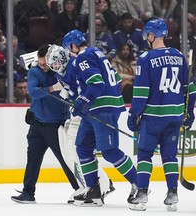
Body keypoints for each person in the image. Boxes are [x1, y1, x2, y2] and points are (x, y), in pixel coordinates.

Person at [49, 29, 137, 206]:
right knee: (82, 147)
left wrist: (83, 101)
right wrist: (82, 101)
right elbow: (114, 79)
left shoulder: (83, 56)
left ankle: (139, 184)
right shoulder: (95, 53)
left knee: (110, 151)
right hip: (95, 107)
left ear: (74, 46)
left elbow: (96, 82)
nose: (68, 53)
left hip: (101, 106)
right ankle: (94, 191)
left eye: (68, 49)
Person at [127, 18, 196, 211]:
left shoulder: (146, 58)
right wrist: (188, 111)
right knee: (170, 156)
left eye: (147, 34)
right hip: (174, 116)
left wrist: (134, 115)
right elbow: (190, 89)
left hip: (153, 117)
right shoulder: (179, 56)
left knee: (144, 154)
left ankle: (141, 195)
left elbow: (140, 92)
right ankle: (172, 195)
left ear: (151, 35)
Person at [11, 44, 80, 204]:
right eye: (41, 63)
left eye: (46, 63)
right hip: (37, 124)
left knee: (65, 159)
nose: (43, 66)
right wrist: (52, 88)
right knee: (33, 159)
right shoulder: (34, 71)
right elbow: (33, 92)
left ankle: (79, 190)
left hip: (56, 125)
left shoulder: (61, 71)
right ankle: (28, 192)